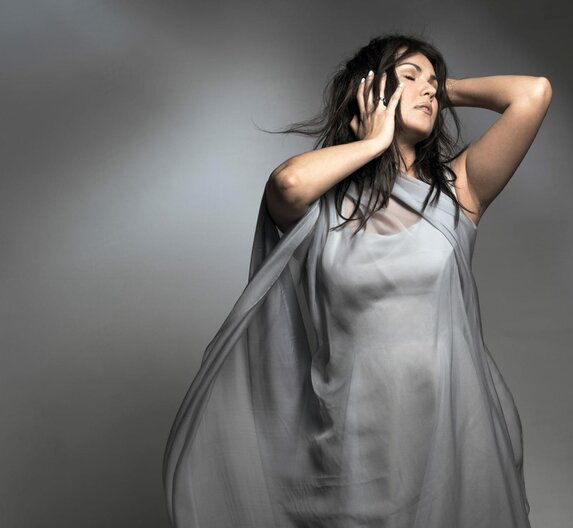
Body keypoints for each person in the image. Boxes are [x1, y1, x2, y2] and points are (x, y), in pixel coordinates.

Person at [162, 33, 552, 528]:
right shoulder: (322, 209)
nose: (428, 89)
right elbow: (286, 183)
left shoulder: (460, 192)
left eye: (434, 83)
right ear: (372, 91)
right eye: (410, 76)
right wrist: (373, 143)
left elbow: (533, 93)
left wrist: (436, 88)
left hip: (452, 433)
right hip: (351, 441)